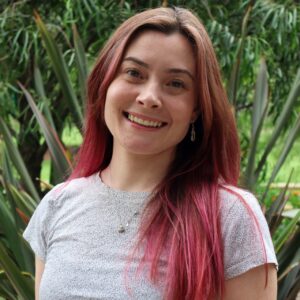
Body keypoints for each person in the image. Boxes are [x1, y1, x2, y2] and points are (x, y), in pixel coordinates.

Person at [23, 6, 278, 300]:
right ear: (105, 83)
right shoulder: (57, 205)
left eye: (176, 84)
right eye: (134, 73)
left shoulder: (230, 217)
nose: (149, 97)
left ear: (196, 109)